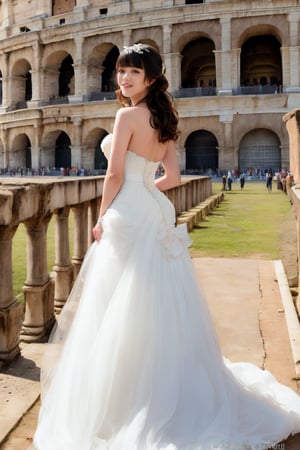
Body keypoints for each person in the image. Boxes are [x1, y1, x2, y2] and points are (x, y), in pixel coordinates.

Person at [33, 44, 300, 450]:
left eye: (133, 74)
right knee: (158, 301)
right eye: (121, 72)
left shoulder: (126, 115)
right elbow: (172, 176)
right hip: (154, 211)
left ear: (151, 79)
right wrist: (146, 194)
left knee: (118, 304)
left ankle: (125, 396)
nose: (123, 80)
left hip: (129, 214)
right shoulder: (163, 117)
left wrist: (105, 216)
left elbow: (115, 174)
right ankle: (165, 387)